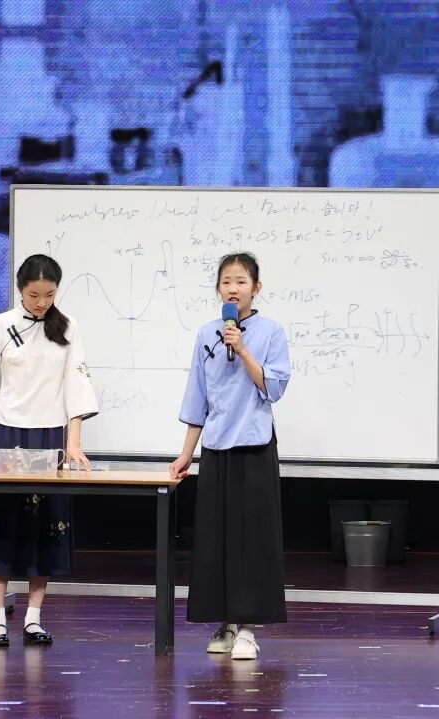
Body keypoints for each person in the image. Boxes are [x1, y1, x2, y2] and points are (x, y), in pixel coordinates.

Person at [0, 253, 98, 647]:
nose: (41, 303)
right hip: (7, 432)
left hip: (49, 436)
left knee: (45, 526)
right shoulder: (1, 325)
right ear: (21, 290)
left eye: (49, 295)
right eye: (34, 295)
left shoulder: (68, 326)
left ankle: (34, 618)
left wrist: (74, 442)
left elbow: (76, 384)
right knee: (2, 522)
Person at [169, 252, 291, 661]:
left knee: (251, 539)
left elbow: (273, 388)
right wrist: (186, 454)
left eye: (241, 281)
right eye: (226, 282)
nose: (233, 289)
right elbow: (197, 398)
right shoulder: (207, 333)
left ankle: (248, 628)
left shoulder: (271, 332)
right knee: (215, 538)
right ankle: (225, 623)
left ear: (256, 287)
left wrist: (242, 349)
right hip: (216, 447)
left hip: (254, 446)